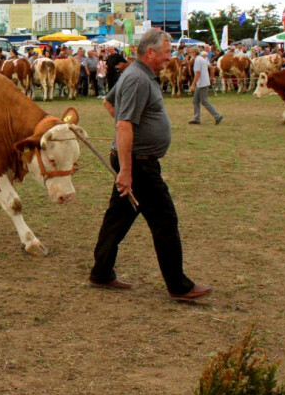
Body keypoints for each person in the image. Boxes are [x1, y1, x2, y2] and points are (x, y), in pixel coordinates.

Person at [89, 29, 212, 301]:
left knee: (118, 218)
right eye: (167, 52)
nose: (171, 57)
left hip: (135, 160)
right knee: (164, 220)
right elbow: (122, 122)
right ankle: (178, 286)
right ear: (151, 52)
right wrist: (127, 167)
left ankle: (101, 272)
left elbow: (110, 104)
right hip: (138, 163)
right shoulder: (136, 79)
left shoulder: (138, 75)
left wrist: (133, 131)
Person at [188, 51, 223, 125]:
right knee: (195, 101)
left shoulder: (197, 60)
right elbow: (211, 67)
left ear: (194, 53)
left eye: (191, 52)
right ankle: (196, 118)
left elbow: (197, 74)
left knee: (204, 101)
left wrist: (193, 85)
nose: (190, 53)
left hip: (201, 83)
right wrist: (211, 77)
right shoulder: (202, 59)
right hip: (202, 83)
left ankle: (217, 116)